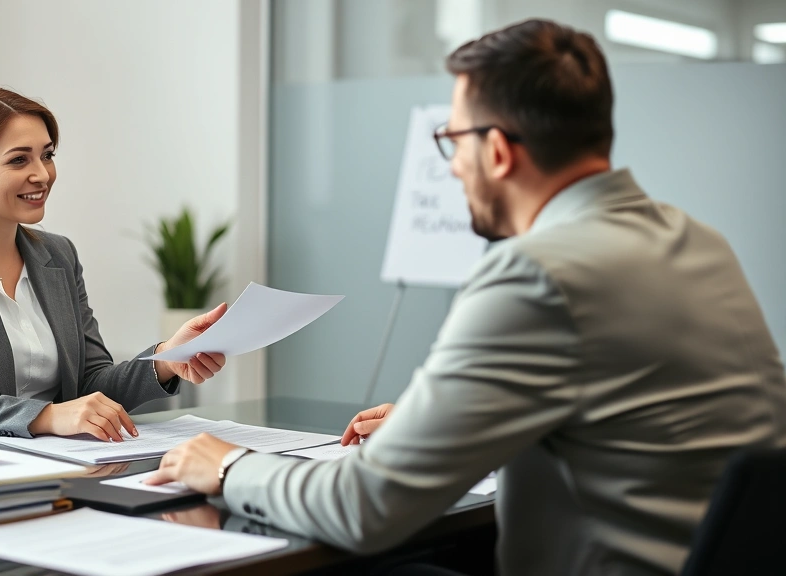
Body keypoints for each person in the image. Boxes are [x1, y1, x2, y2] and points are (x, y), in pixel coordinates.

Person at [145, 19, 786, 575]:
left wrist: (228, 467)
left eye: (453, 142)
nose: (452, 167)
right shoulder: (696, 239)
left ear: (499, 151)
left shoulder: (538, 274)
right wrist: (441, 424)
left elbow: (365, 508)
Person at [0, 86, 227, 444]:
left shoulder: (59, 256)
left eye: (47, 155)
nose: (42, 174)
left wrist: (166, 359)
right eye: (19, 160)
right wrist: (48, 416)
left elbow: (91, 383)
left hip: (47, 462)